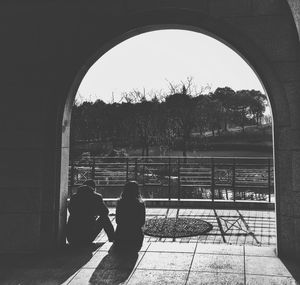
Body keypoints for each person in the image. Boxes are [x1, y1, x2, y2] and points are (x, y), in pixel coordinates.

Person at [66, 179, 114, 246]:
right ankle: (112, 238)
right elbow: (105, 212)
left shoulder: (74, 197)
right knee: (104, 218)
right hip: (86, 238)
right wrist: (94, 214)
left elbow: (71, 211)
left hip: (72, 238)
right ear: (94, 188)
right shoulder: (96, 197)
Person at [114, 181, 145, 251]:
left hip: (121, 238)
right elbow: (142, 222)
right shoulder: (140, 204)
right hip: (135, 239)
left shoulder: (120, 203)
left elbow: (118, 221)